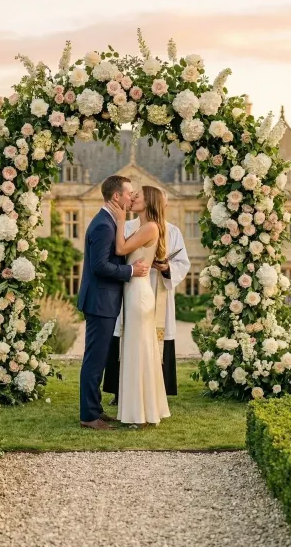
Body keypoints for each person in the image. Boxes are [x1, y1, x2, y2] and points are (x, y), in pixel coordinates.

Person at [77, 175, 150, 430]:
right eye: (129, 193)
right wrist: (131, 272)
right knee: (94, 360)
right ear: (116, 196)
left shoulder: (109, 221)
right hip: (99, 302)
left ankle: (95, 410)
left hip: (104, 301)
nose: (132, 198)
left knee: (98, 358)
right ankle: (88, 416)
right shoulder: (103, 226)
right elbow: (99, 267)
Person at [103, 189, 190, 402]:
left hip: (154, 287)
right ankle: (121, 390)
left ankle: (153, 391)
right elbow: (118, 253)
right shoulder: (130, 225)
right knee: (128, 337)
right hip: (132, 285)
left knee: (149, 340)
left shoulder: (172, 231)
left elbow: (183, 263)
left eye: (137, 197)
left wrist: (166, 267)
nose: (132, 199)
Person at [107, 186, 171, 426]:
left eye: (138, 196)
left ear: (149, 201)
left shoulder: (150, 227)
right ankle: (143, 410)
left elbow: (121, 249)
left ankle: (139, 414)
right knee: (137, 350)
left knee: (138, 351)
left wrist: (121, 220)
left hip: (138, 294)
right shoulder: (146, 227)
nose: (133, 198)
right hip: (135, 291)